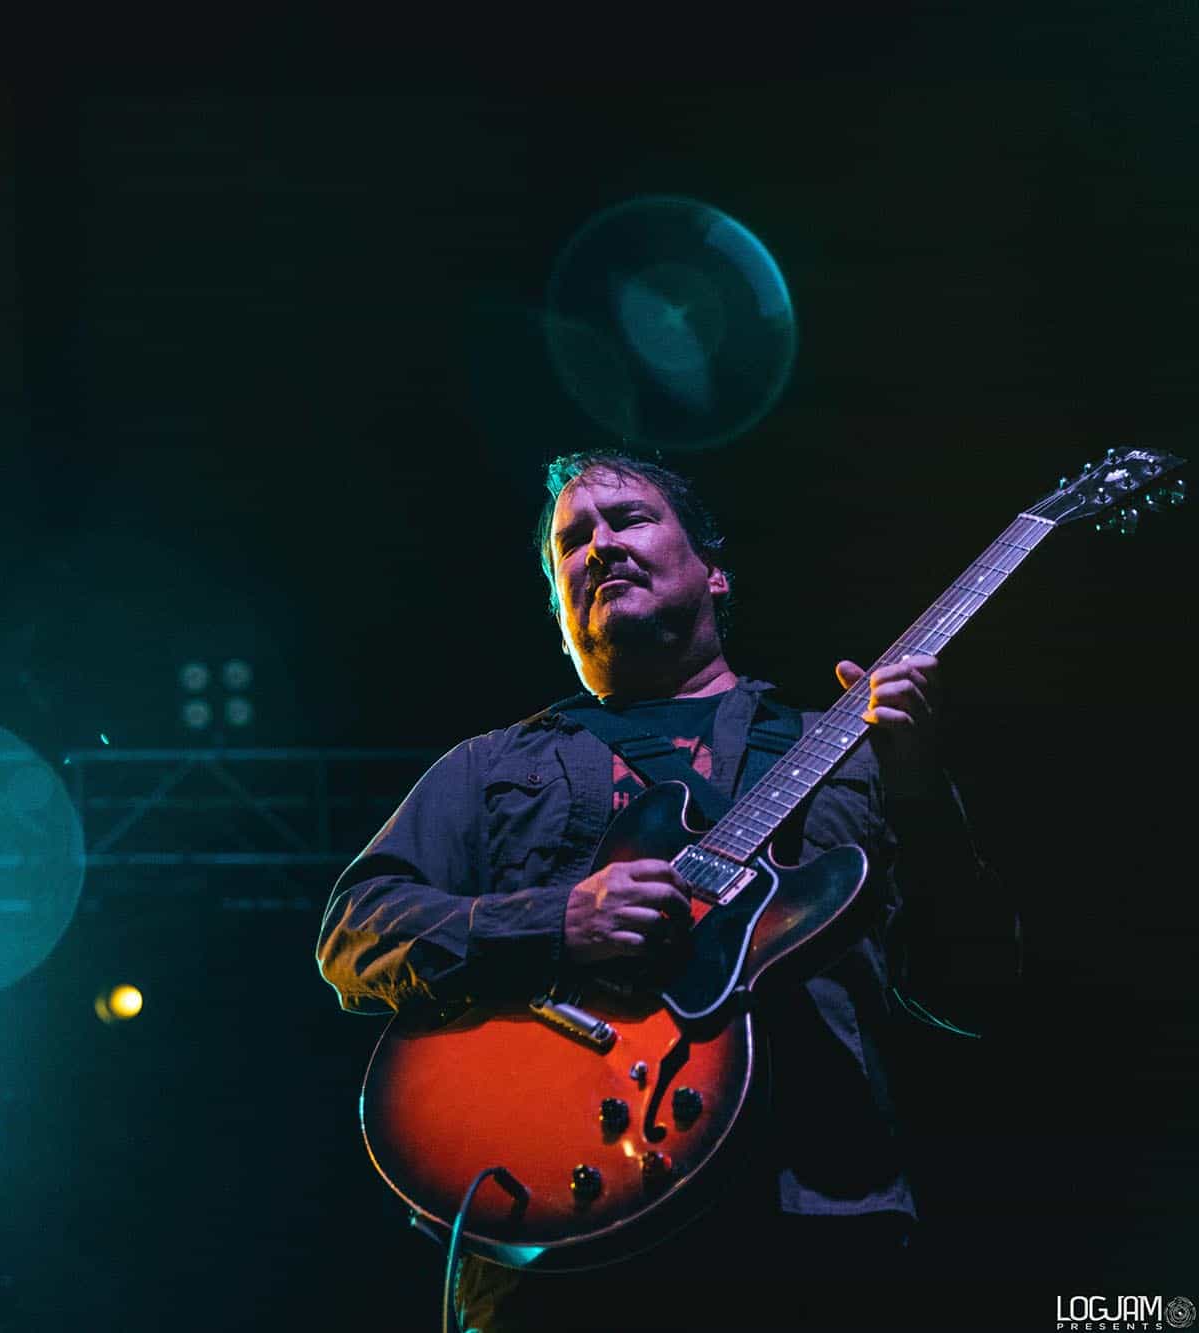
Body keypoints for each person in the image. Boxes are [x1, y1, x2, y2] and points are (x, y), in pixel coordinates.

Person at [314, 451, 1018, 1332]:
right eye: (573, 541)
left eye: (631, 519)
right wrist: (557, 920)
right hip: (559, 1239)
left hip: (816, 1226)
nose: (600, 544)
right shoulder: (492, 766)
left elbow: (975, 989)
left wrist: (918, 790)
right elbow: (354, 932)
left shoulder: (846, 751)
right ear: (559, 610)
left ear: (715, 571)